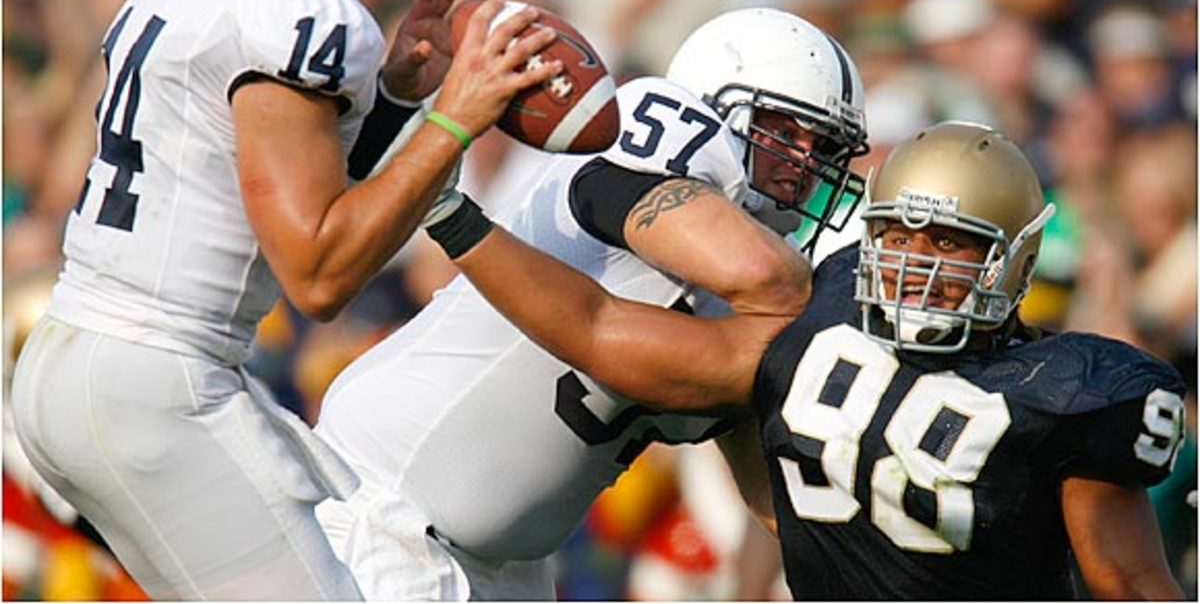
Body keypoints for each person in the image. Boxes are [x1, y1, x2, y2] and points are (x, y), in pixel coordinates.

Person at [9, 0, 563, 600]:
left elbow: (298, 184)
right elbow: (320, 274)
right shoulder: (302, 9)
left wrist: (399, 96)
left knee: (387, 555)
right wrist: (455, 119)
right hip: (158, 381)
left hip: (81, 355)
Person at [435, 121, 1187, 600]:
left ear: (1013, 258)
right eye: (897, 236)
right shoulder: (811, 322)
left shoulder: (1072, 389)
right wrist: (457, 215)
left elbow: (1126, 582)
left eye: (949, 243)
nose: (915, 264)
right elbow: (596, 327)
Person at [313, 7, 869, 599]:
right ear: (715, 108)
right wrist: (838, 297)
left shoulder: (763, 307)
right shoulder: (664, 134)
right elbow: (763, 276)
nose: (803, 163)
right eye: (785, 133)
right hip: (387, 510)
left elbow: (783, 507)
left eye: (823, 146)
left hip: (510, 566)